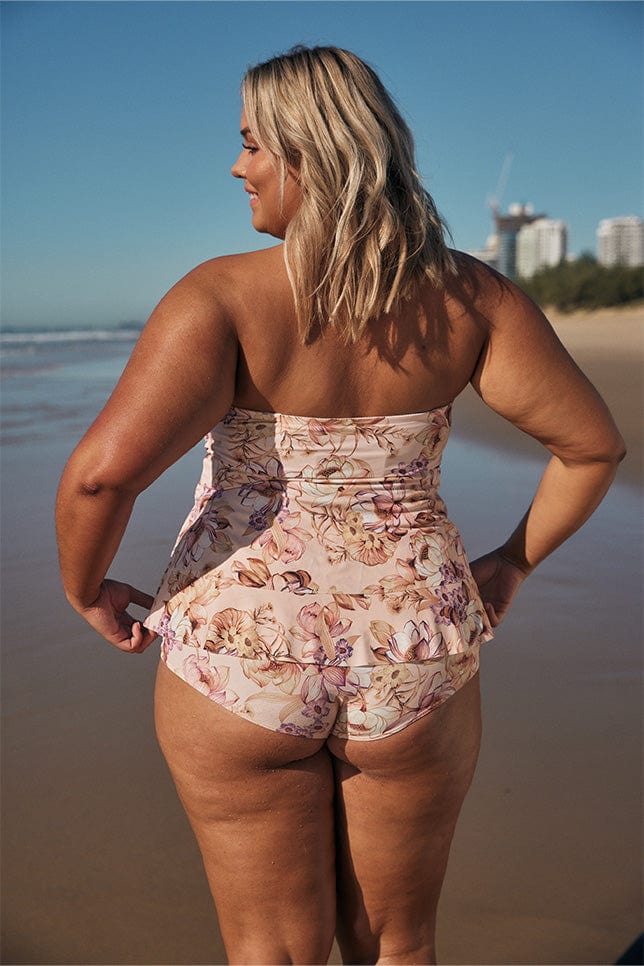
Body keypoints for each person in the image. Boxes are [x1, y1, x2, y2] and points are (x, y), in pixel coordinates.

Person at [56, 45, 625, 966]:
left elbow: (99, 477)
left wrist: (86, 588)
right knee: (399, 947)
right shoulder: (470, 296)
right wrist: (513, 559)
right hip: (415, 646)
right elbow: (593, 447)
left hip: (245, 650)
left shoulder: (223, 297)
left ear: (306, 150)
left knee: (270, 953)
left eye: (250, 144)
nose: (236, 166)